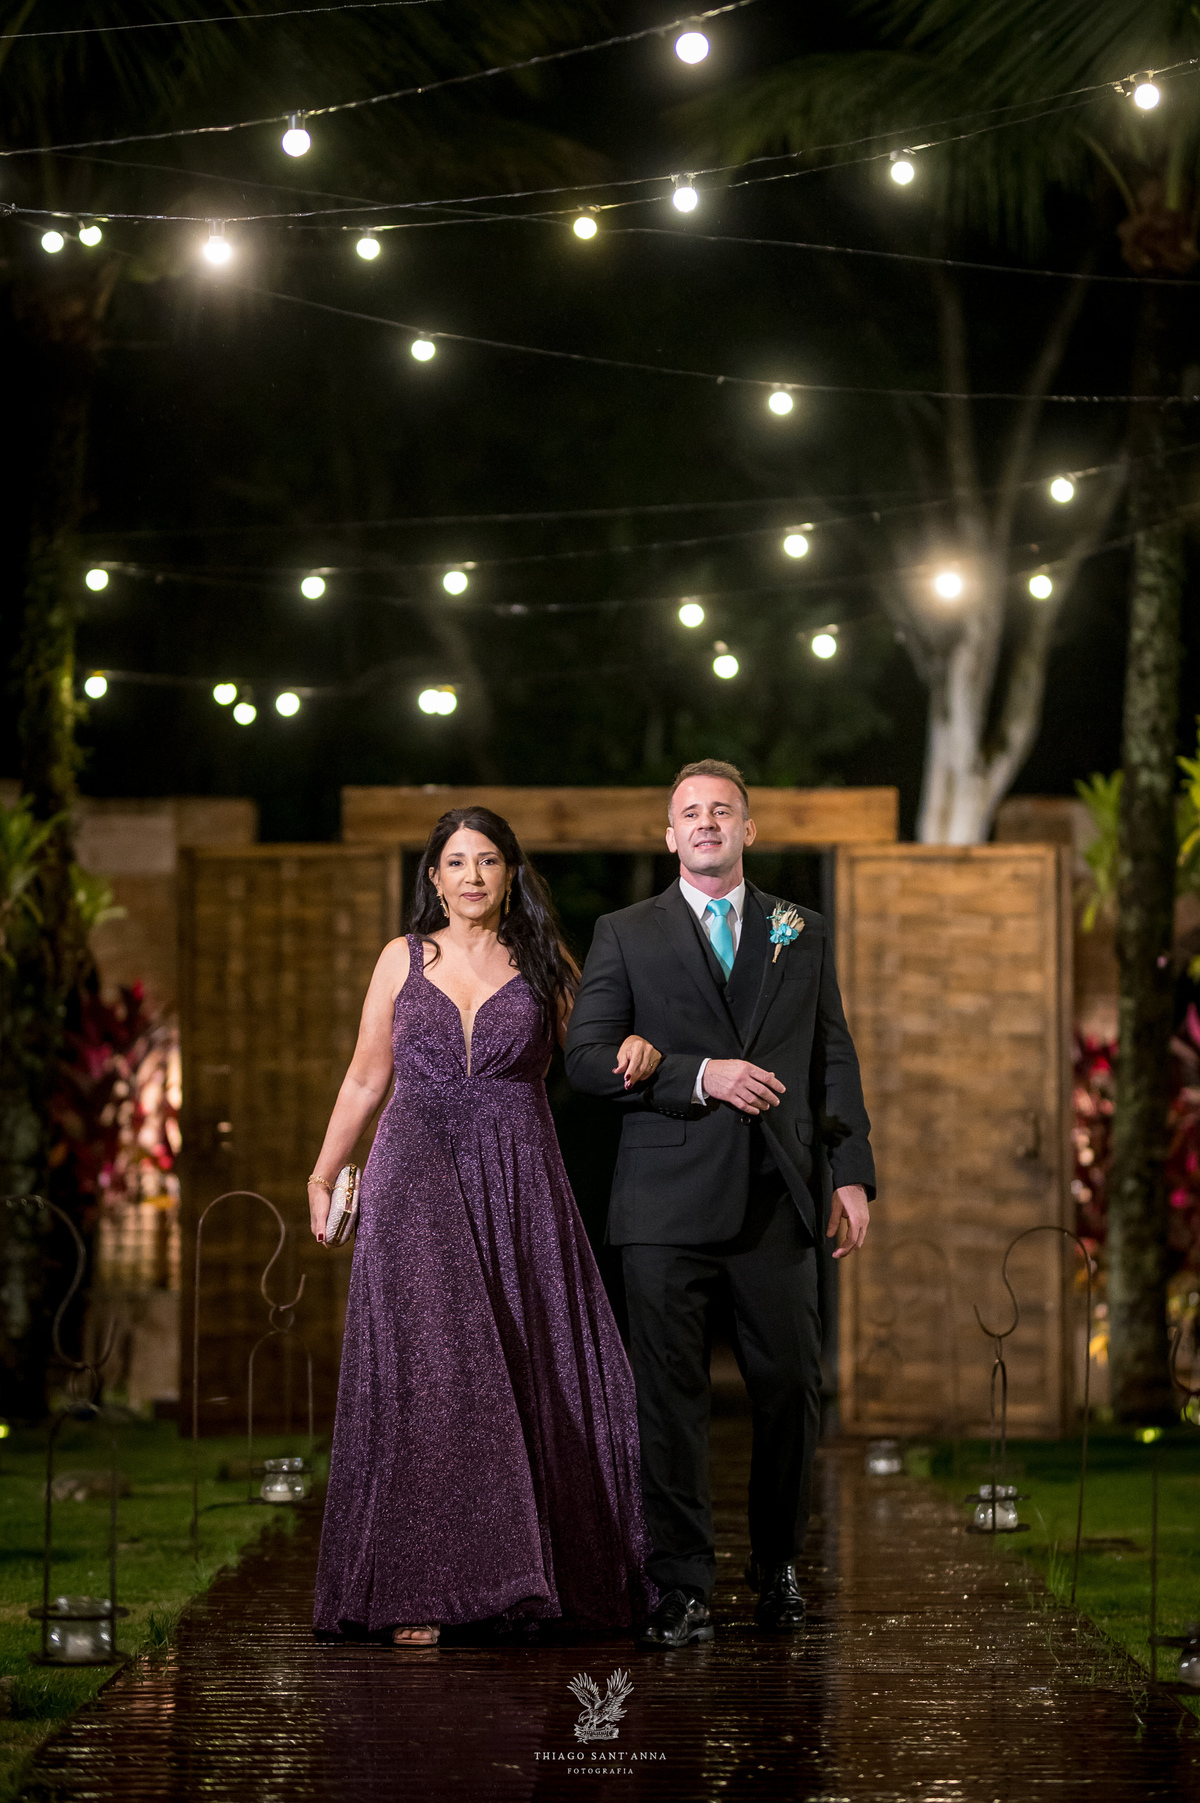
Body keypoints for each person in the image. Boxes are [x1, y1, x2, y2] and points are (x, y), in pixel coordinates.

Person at [309, 806, 655, 1648]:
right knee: (431, 1370)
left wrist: (640, 1045)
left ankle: (520, 1577)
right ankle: (417, 1585)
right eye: (457, 861)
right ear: (433, 876)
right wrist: (322, 1174)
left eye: (488, 860)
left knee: (527, 1358)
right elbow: (366, 1077)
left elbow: (592, 1055)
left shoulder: (543, 960)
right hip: (412, 1171)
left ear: (510, 874)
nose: (472, 875)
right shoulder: (401, 959)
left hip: (517, 1179)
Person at [565, 759, 874, 1650]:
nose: (707, 822)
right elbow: (585, 1059)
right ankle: (682, 1582)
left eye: (722, 810)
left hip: (778, 1197)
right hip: (664, 1205)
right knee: (669, 1399)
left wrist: (850, 1171)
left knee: (792, 1387)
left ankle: (777, 1563)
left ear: (748, 828)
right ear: (670, 835)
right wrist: (697, 1074)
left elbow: (832, 1054)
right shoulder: (625, 932)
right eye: (691, 812)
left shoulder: (799, 930)